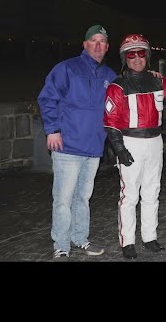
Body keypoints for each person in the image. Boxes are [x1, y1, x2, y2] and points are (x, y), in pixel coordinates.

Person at [104, 34, 166, 260]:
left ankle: (150, 237)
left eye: (141, 54)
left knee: (152, 192)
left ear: (148, 57)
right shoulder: (117, 86)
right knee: (130, 195)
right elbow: (111, 121)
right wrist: (119, 148)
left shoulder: (158, 81)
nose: (137, 58)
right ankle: (128, 241)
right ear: (125, 58)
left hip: (155, 142)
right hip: (130, 142)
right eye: (131, 55)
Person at [37, 24, 117, 260]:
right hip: (68, 147)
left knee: (83, 198)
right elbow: (47, 98)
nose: (98, 45)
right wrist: (52, 130)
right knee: (62, 200)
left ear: (107, 47)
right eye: (93, 40)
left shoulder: (110, 76)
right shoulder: (66, 69)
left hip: (93, 148)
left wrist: (151, 76)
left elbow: (123, 99)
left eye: (102, 41)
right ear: (85, 44)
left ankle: (80, 238)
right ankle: (61, 245)